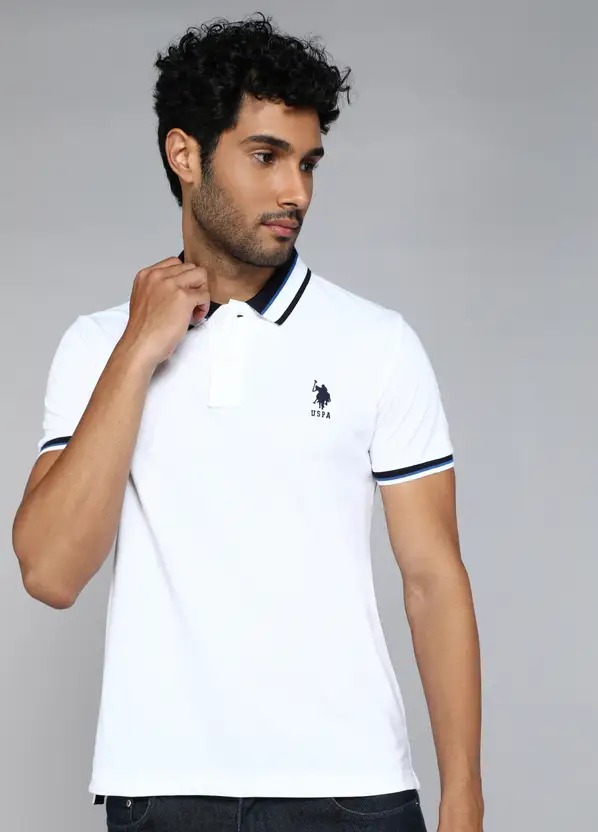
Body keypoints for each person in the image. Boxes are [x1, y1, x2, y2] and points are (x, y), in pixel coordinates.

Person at [12, 13, 484, 832]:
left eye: (307, 162)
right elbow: (51, 572)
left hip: (351, 790)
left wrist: (464, 800)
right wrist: (138, 350)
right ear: (184, 154)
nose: (294, 190)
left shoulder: (377, 343)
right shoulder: (97, 347)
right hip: (162, 790)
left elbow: (432, 579)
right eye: (265, 156)